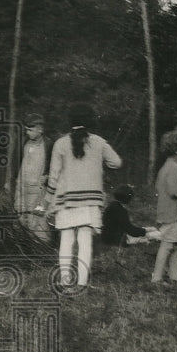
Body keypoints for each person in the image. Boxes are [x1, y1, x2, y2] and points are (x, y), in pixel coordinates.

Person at [42, 104, 122, 288]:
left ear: (71, 122)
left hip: (66, 200)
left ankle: (65, 281)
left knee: (66, 240)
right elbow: (116, 162)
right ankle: (82, 283)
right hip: (91, 200)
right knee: (85, 241)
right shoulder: (99, 142)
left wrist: (47, 201)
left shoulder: (60, 143)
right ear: (90, 121)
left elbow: (53, 177)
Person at [151, 130, 177, 285]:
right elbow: (175, 190)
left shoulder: (167, 165)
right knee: (168, 244)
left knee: (175, 244)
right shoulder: (175, 167)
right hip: (172, 211)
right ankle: (156, 278)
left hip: (168, 209)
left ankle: (174, 276)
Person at [7, 112, 54, 244]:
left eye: (31, 129)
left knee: (38, 217)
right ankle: (22, 245)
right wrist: (12, 180)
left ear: (40, 129)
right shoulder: (23, 142)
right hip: (22, 186)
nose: (28, 132)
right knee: (22, 215)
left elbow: (53, 165)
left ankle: (40, 246)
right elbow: (15, 163)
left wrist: (47, 176)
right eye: (26, 129)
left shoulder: (49, 144)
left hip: (39, 188)